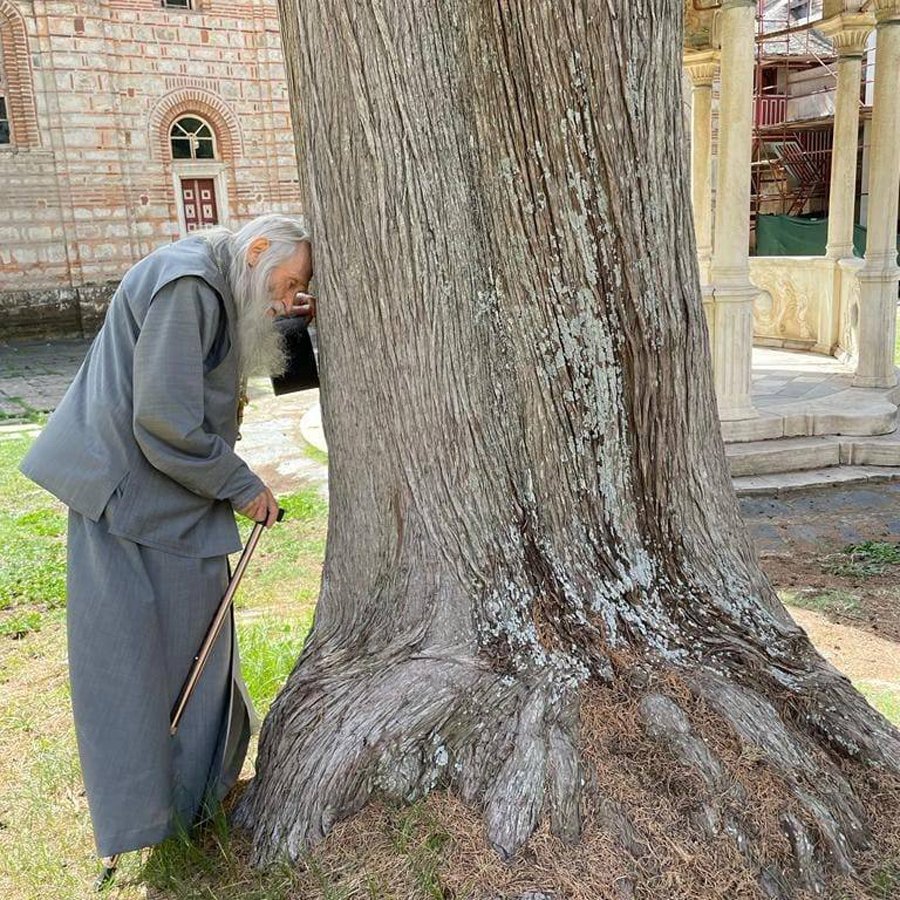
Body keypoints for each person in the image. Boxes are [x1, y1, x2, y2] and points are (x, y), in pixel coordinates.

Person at [19, 214, 315, 862]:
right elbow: (162, 419)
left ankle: (191, 801)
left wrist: (295, 312)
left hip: (158, 500)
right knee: (135, 666)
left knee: (193, 655)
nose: (286, 301)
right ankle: (157, 818)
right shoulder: (189, 283)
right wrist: (240, 484)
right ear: (257, 250)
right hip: (126, 497)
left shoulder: (216, 279)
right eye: (287, 282)